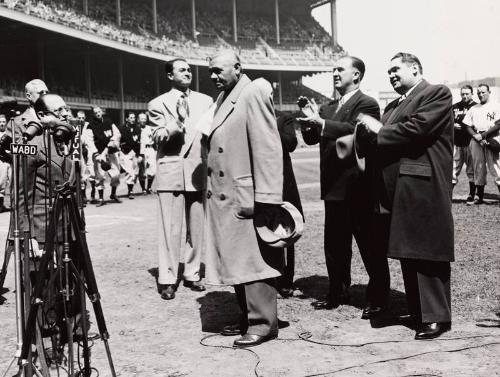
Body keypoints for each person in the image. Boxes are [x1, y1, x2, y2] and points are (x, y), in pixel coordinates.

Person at [356, 52, 454, 340]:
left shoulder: (435, 93)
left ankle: (436, 317)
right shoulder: (394, 105)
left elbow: (418, 128)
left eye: (396, 69)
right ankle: (419, 312)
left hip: (422, 185)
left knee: (426, 251)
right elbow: (382, 139)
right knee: (410, 251)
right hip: (398, 188)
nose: (391, 75)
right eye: (388, 72)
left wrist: (378, 130)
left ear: (415, 68)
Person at [298, 56, 389, 319]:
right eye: (333, 69)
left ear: (357, 75)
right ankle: (337, 291)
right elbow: (314, 137)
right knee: (335, 245)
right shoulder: (326, 107)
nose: (335, 73)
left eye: (340, 69)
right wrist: (309, 120)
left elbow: (356, 130)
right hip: (333, 188)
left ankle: (378, 298)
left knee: (369, 245)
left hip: (358, 187)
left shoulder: (367, 103)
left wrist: (321, 123)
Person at [204, 50, 284, 348]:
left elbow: (267, 148)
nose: (212, 76)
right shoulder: (227, 96)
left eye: (217, 70)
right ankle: (247, 316)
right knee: (237, 259)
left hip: (247, 195)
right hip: (230, 196)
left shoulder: (252, 93)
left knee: (254, 262)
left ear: (238, 67)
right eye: (210, 71)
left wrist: (268, 198)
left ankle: (263, 324)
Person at [148, 58, 212, 300]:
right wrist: (178, 122)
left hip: (197, 170)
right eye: (182, 70)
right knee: (170, 230)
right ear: (169, 76)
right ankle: (167, 278)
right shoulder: (157, 104)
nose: (187, 73)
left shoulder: (206, 101)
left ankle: (192, 273)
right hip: (171, 172)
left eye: (189, 70)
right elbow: (158, 138)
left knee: (196, 228)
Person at [276, 114, 303, 298]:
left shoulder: (283, 118)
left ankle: (286, 280)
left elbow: (291, 143)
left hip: (282, 181)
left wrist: (267, 128)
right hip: (257, 180)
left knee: (287, 231)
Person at [462, 84, 500, 204]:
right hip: (476, 139)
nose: (480, 94)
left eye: (483, 92)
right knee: (478, 168)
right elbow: (467, 125)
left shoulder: (496, 106)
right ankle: (479, 196)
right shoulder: (474, 108)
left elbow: (498, 124)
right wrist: (476, 137)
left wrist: (483, 136)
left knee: (496, 167)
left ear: (489, 92)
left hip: (492, 138)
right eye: (478, 92)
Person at [86, 106, 122, 207]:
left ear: (102, 112)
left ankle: (113, 194)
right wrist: (97, 154)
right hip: (98, 154)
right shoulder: (90, 125)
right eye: (95, 112)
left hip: (110, 152)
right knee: (100, 176)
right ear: (93, 114)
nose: (98, 113)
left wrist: (109, 146)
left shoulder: (109, 121)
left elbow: (117, 134)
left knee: (116, 174)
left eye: (99, 111)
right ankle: (101, 198)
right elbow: (89, 141)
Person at [451, 85, 477, 203]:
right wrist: (452, 125)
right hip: (457, 143)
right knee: (453, 170)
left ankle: (472, 194)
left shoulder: (476, 107)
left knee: (471, 170)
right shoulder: (455, 106)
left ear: (472, 93)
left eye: (467, 94)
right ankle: (448, 194)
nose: (465, 96)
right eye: (463, 94)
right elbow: (447, 121)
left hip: (470, 143)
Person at [119, 112, 141, 199]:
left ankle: (130, 187)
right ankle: (130, 191)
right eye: (131, 117)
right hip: (125, 151)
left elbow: (139, 142)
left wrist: (139, 154)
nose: (133, 119)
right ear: (127, 119)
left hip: (134, 152)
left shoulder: (137, 128)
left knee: (135, 172)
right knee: (130, 171)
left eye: (134, 117)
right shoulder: (122, 128)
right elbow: (118, 139)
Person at [138, 112, 156, 194]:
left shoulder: (150, 128)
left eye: (145, 119)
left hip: (150, 148)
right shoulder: (136, 129)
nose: (143, 120)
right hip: (141, 149)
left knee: (152, 169)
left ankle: (149, 187)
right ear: (138, 120)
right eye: (142, 119)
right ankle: (143, 189)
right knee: (142, 170)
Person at [0, 114, 11, 212]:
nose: (2, 124)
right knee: (1, 182)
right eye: (0, 122)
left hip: (8, 161)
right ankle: (0, 205)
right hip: (1, 161)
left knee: (9, 182)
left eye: (3, 122)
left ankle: (7, 204)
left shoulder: (9, 134)